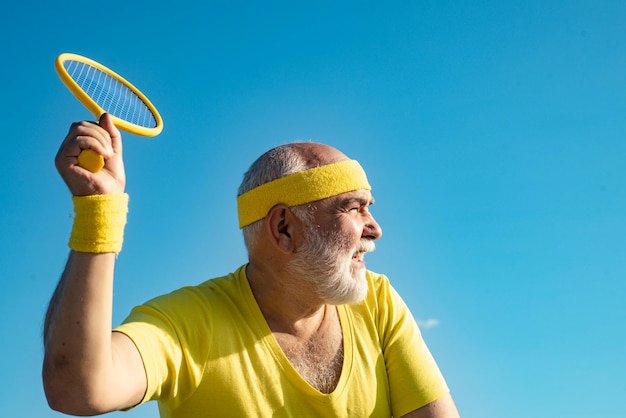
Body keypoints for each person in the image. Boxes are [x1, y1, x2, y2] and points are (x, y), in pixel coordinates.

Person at [43, 114, 460, 417]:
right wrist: (99, 214)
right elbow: (78, 389)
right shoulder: (190, 323)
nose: (376, 229)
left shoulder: (379, 304)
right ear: (283, 228)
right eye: (353, 208)